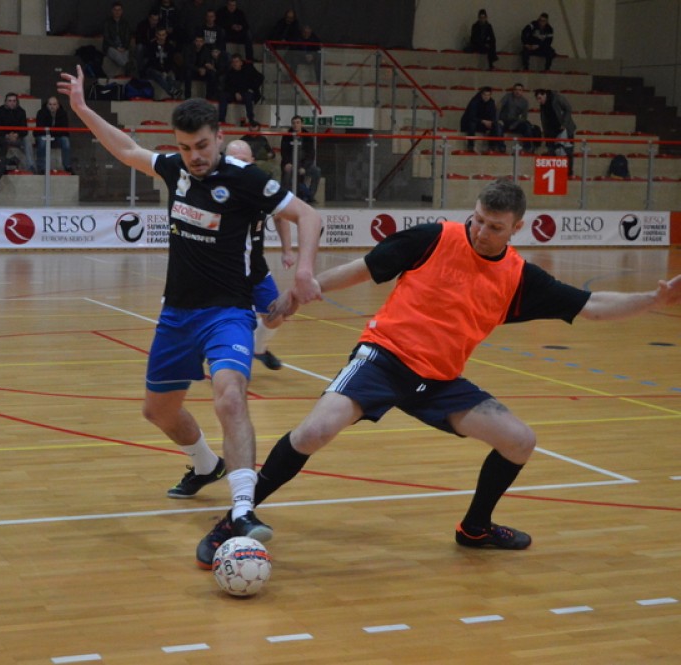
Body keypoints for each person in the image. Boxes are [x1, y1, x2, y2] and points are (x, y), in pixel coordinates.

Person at [193, 177, 681, 568]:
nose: (480, 231)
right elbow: (365, 267)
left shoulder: (519, 278)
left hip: (440, 381)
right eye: (478, 219)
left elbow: (591, 306)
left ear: (516, 228)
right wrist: (302, 292)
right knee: (314, 432)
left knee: (520, 441)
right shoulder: (435, 237)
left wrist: (652, 300)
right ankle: (236, 518)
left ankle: (475, 529)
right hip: (383, 358)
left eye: (494, 227)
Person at [56, 65, 322, 546]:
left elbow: (307, 215)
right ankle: (205, 464)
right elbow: (127, 150)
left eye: (201, 145)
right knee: (159, 411)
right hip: (177, 312)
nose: (194, 156)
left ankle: (242, 508)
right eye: (184, 147)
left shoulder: (245, 178)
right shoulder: (174, 168)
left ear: (218, 137)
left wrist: (303, 270)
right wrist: (82, 108)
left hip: (228, 311)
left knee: (230, 396)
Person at [225, 139, 294, 371]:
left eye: (243, 161)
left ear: (252, 162)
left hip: (256, 267)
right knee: (232, 323)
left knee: (277, 314)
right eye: (232, 161)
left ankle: (259, 348)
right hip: (227, 271)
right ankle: (225, 362)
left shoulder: (260, 188)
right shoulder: (216, 191)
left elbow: (282, 216)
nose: (238, 166)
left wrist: (287, 250)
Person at [535, 88, 576, 175]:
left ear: (544, 95)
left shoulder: (557, 98)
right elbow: (544, 120)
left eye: (540, 98)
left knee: (567, 151)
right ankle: (556, 173)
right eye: (537, 99)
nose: (539, 101)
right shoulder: (543, 105)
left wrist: (564, 123)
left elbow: (568, 108)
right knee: (552, 152)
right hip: (551, 131)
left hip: (564, 129)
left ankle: (568, 173)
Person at [281, 115, 321, 203]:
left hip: (303, 164)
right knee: (288, 171)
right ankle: (286, 197)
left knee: (316, 171)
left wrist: (304, 167)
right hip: (290, 163)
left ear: (302, 124)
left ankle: (310, 196)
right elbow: (284, 152)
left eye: (298, 123)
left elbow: (311, 154)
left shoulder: (307, 136)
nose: (295, 125)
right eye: (293, 123)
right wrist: (287, 162)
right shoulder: (287, 136)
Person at [218, 53, 262, 127]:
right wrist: (235, 93)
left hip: (245, 92)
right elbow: (227, 87)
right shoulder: (229, 73)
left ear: (241, 63)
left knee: (248, 96)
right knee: (223, 96)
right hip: (234, 94)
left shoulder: (248, 70)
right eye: (233, 62)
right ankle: (221, 119)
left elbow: (260, 78)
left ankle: (251, 119)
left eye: (236, 61)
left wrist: (253, 88)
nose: (235, 64)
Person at [0, 93, 32, 172]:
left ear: (17, 102)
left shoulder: (21, 111)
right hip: (3, 138)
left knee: (27, 140)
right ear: (5, 102)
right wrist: (7, 135)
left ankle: (30, 167)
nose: (12, 103)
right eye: (9, 101)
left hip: (17, 138)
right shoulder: (0, 110)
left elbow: (25, 129)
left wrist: (17, 135)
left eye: (14, 101)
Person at [34, 96, 74, 174]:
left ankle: (67, 166)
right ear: (47, 105)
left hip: (57, 137)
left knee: (65, 141)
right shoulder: (41, 112)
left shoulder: (63, 113)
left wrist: (52, 132)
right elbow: (40, 128)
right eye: (50, 104)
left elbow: (64, 129)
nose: (52, 106)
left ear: (58, 105)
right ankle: (41, 168)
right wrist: (53, 132)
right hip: (44, 135)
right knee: (42, 141)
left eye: (54, 104)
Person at [143, 27, 183, 99]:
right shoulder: (151, 46)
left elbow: (170, 61)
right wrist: (162, 71)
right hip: (153, 69)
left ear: (166, 35)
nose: (161, 37)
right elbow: (152, 62)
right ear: (156, 35)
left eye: (163, 35)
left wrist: (166, 71)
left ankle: (173, 93)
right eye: (160, 35)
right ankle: (172, 91)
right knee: (158, 74)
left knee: (170, 76)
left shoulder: (170, 47)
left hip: (166, 69)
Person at [460, 86, 503, 153]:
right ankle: (470, 146)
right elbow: (471, 116)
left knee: (496, 124)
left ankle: (492, 147)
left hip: (483, 123)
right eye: (485, 95)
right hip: (471, 123)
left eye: (488, 95)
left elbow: (493, 115)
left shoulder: (491, 102)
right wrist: (483, 121)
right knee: (472, 124)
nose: (486, 97)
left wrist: (491, 122)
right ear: (481, 94)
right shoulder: (474, 101)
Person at [498, 83, 535, 154]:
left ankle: (528, 148)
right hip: (504, 121)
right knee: (498, 126)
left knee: (527, 125)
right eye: (516, 90)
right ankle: (501, 147)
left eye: (520, 90)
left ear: (522, 91)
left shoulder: (525, 102)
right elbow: (498, 107)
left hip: (515, 122)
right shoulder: (507, 96)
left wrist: (515, 124)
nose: (517, 91)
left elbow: (524, 117)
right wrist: (498, 120)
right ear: (513, 90)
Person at [183, 34, 222, 100]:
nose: (199, 43)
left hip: (202, 71)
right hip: (193, 70)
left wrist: (205, 69)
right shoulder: (188, 49)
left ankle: (209, 97)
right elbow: (187, 63)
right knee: (187, 72)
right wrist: (198, 69)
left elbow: (207, 62)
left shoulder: (206, 50)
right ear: (194, 41)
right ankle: (187, 96)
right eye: (197, 41)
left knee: (212, 74)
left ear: (203, 42)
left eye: (201, 41)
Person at [102, 1, 133, 73]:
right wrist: (116, 47)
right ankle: (127, 66)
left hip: (123, 47)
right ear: (112, 11)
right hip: (111, 47)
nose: (117, 12)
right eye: (115, 10)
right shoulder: (107, 23)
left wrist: (124, 47)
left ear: (122, 11)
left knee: (126, 53)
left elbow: (128, 37)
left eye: (119, 10)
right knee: (115, 53)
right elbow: (106, 38)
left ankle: (127, 68)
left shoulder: (125, 23)